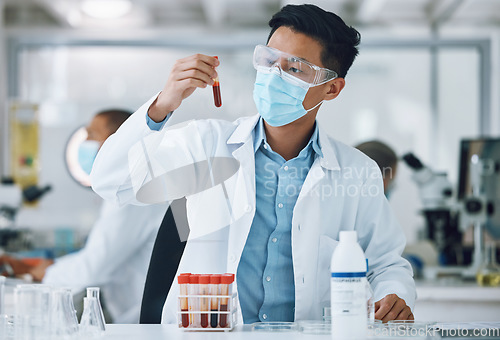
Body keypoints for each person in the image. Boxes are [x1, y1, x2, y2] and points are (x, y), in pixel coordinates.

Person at [91, 4, 416, 324]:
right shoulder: (205, 144)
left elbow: (386, 263)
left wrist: (393, 293)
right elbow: (112, 181)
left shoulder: (357, 172)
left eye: (294, 69)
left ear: (331, 88)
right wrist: (162, 105)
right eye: (269, 60)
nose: (275, 75)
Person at [1, 110, 168, 323]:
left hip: (141, 315)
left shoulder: (133, 192)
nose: (85, 143)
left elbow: (94, 266)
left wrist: (42, 271)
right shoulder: (125, 188)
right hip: (134, 307)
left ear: (117, 142)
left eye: (92, 134)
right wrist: (35, 268)